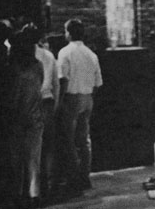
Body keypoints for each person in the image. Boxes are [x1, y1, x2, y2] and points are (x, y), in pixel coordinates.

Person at [55, 19, 102, 196]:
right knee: (84, 139)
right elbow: (98, 82)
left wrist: (60, 101)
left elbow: (63, 79)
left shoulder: (65, 53)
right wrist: (89, 95)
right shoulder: (91, 54)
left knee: (69, 139)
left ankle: (73, 178)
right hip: (88, 97)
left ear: (69, 33)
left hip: (71, 97)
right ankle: (85, 176)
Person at [6, 31, 45, 209]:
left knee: (17, 159)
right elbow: (40, 86)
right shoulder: (38, 66)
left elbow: (13, 95)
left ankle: (18, 194)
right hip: (35, 115)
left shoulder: (13, 68)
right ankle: (34, 195)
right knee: (33, 159)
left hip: (17, 117)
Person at [22, 24, 60, 200]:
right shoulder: (49, 55)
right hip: (47, 101)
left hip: (29, 103)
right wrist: (56, 103)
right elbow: (56, 82)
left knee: (31, 150)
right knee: (49, 146)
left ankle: (31, 190)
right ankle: (49, 185)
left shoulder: (23, 56)